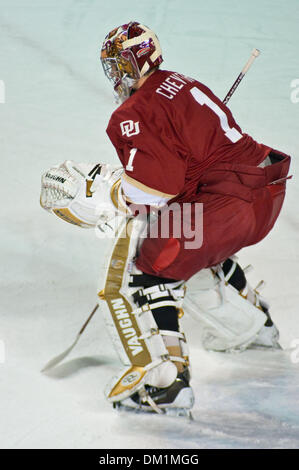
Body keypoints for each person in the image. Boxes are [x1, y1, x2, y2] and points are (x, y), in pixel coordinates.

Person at [40, 21, 291, 416]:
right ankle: (254, 330)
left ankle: (166, 382)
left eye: (121, 64)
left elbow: (152, 190)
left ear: (139, 62)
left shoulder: (135, 109)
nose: (117, 75)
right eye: (112, 66)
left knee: (149, 268)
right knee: (193, 243)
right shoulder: (180, 81)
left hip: (226, 204)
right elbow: (186, 167)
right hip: (263, 194)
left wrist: (106, 193)